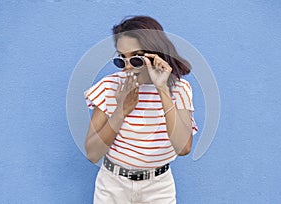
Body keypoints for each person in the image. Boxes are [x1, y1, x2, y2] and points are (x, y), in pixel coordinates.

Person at [84, 15, 198, 204]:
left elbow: (183, 147)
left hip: (158, 187)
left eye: (136, 58)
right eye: (122, 59)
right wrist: (121, 110)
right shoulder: (110, 87)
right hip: (113, 185)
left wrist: (162, 88)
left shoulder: (179, 89)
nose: (128, 67)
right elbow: (92, 153)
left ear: (155, 53)